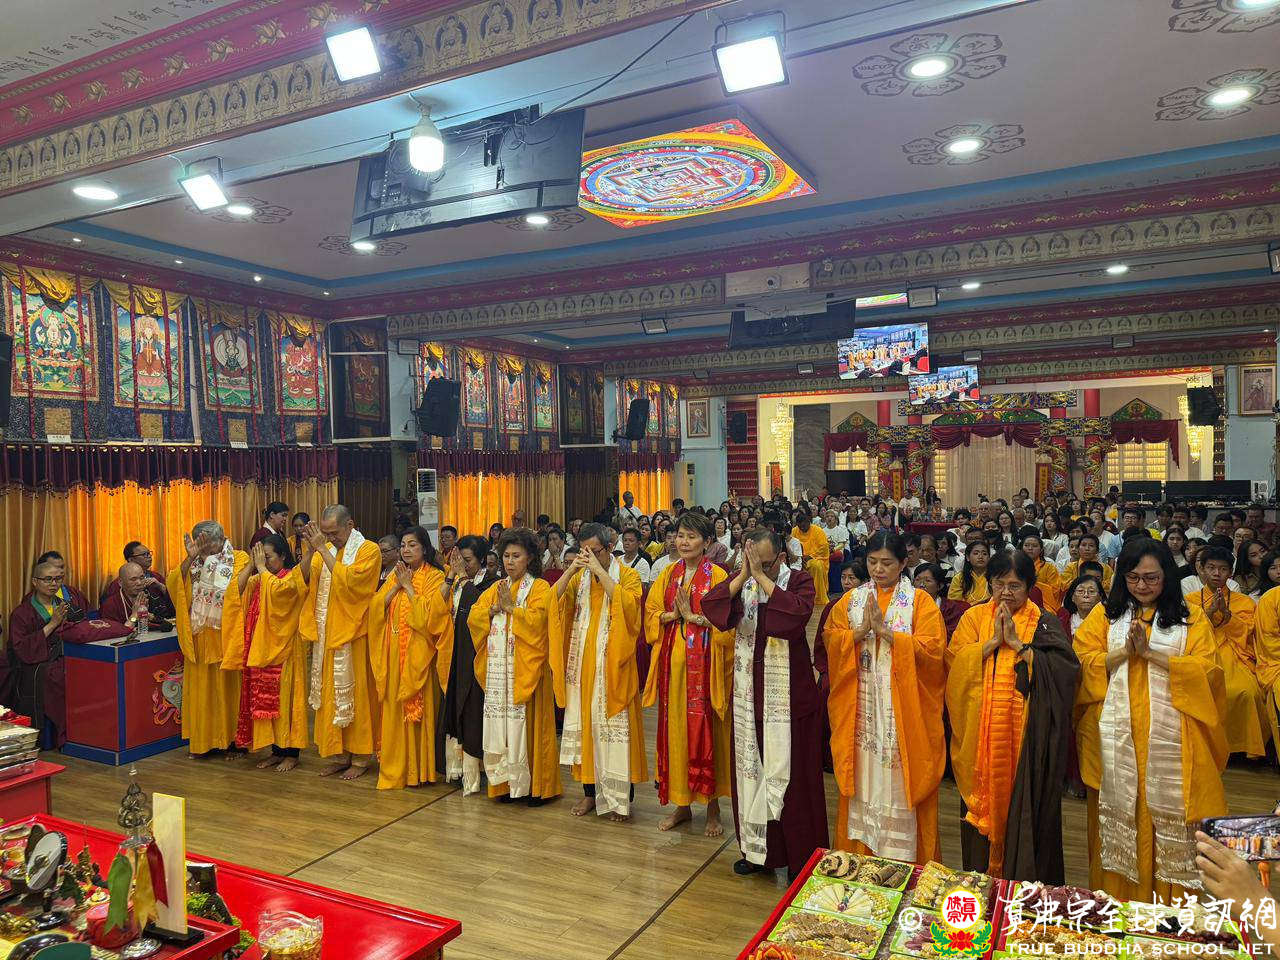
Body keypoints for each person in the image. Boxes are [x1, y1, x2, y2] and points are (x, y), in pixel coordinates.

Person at [1073, 538, 1227, 901]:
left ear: (1167, 577)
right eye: (1133, 578)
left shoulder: (1190, 617)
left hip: (1174, 741)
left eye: (1151, 578)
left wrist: (1151, 654)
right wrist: (1124, 652)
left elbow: (1209, 673)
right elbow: (1082, 663)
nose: (1142, 586)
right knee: (1118, 818)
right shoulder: (1105, 615)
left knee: (1169, 820)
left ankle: (1170, 910)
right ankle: (1116, 903)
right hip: (1115, 739)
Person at [946, 550, 1079, 881]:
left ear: (1029, 587)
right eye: (999, 583)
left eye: (1015, 585)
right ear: (989, 584)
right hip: (981, 743)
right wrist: (992, 642)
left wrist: (1019, 645)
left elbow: (1065, 672)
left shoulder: (1044, 622)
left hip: (1027, 744)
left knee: (1027, 816)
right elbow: (953, 665)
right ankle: (983, 886)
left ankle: (1022, 891)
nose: (1006, 592)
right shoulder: (973, 618)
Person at [703, 528, 828, 878]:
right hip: (748, 698)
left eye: (767, 563)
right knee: (752, 775)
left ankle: (802, 860)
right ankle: (759, 853)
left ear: (782, 558)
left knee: (795, 783)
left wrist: (761, 578)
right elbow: (712, 608)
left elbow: (794, 619)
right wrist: (744, 575)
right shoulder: (741, 582)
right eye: (751, 561)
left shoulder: (798, 581)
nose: (759, 568)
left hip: (790, 701)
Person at [823, 531, 947, 861]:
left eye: (887, 563)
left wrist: (888, 634)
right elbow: (831, 640)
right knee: (862, 778)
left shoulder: (920, 602)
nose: (878, 569)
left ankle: (904, 862)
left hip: (902, 712)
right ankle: (859, 858)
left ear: (904, 563)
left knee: (899, 782)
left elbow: (934, 652)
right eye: (872, 562)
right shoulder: (851, 600)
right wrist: (859, 633)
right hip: (861, 710)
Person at [643, 511, 733, 837]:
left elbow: (728, 622)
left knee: (707, 732)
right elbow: (651, 613)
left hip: (706, 666)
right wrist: (672, 615)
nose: (683, 542)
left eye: (691, 537)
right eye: (680, 535)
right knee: (676, 732)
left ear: (707, 542)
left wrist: (694, 617)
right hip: (673, 664)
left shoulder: (718, 576)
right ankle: (681, 804)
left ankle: (713, 808)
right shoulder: (669, 573)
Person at [550, 523, 647, 821]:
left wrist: (600, 572)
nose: (589, 556)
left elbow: (629, 608)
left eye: (595, 551)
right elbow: (551, 601)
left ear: (610, 547)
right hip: (582, 668)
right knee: (587, 731)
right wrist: (571, 569)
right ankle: (590, 794)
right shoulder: (579, 579)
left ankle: (620, 800)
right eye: (584, 551)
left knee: (616, 731)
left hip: (614, 667)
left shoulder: (627, 575)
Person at [469, 527, 561, 804]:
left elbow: (540, 623)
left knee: (530, 728)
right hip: (500, 672)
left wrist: (512, 609)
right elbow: (474, 616)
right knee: (501, 726)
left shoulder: (539, 587)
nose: (509, 562)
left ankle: (537, 788)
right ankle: (504, 785)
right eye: (506, 556)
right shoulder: (497, 587)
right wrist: (492, 610)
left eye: (516, 556)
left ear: (530, 557)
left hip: (527, 669)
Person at [298, 505, 381, 781]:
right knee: (330, 697)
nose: (331, 538)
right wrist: (311, 550)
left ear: (350, 524)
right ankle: (340, 754)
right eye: (326, 533)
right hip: (327, 636)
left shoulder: (368, 550)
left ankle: (360, 756)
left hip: (354, 636)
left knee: (356, 697)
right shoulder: (325, 549)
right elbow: (305, 579)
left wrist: (322, 549)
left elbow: (352, 584)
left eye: (334, 533)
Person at [368, 526, 448, 790]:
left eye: (412, 545)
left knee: (417, 712)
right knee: (393, 709)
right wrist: (397, 586)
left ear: (424, 548)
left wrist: (410, 588)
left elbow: (431, 618)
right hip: (392, 652)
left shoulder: (435, 576)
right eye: (403, 545)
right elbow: (376, 607)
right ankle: (395, 767)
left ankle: (418, 770)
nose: (406, 550)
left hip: (419, 655)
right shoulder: (397, 574)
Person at [167, 520, 249, 757]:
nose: (209, 549)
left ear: (222, 539)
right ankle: (203, 743)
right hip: (200, 637)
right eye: (203, 545)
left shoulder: (239, 558)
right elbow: (175, 585)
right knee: (202, 694)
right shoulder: (193, 562)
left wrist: (207, 561)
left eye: (212, 544)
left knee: (229, 692)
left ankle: (233, 742)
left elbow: (234, 590)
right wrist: (190, 559)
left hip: (226, 636)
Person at [1184, 546, 1267, 758]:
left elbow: (1248, 632)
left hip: (1233, 652)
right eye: (1211, 568)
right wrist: (1209, 613)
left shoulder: (1244, 601)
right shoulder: (1190, 600)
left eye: (1222, 569)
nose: (1216, 573)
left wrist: (1227, 615)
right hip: (1201, 652)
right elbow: (1185, 633)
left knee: (1246, 692)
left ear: (1230, 572)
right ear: (1202, 570)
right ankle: (1205, 744)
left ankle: (1241, 746)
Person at [233, 535, 307, 771]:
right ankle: (276, 750)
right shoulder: (260, 578)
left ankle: (291, 753)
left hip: (285, 651)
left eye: (268, 557)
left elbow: (279, 592)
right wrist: (251, 564)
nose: (264, 561)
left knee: (285, 703)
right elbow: (235, 590)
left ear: (283, 556)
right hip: (262, 650)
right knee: (267, 704)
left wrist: (261, 568)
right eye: (261, 557)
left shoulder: (290, 577)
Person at [6, 561, 81, 746]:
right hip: (34, 664)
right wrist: (53, 623)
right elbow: (21, 649)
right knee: (58, 676)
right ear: (35, 581)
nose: (53, 584)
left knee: (84, 670)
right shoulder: (21, 613)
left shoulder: (65, 605)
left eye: (58, 579)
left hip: (62, 656)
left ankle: (83, 729)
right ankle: (63, 733)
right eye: (48, 579)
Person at [100, 542, 176, 618]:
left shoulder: (157, 577)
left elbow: (173, 606)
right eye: (144, 554)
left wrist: (162, 587)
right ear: (131, 559)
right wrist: (134, 617)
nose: (149, 556)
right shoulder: (119, 584)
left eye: (149, 553)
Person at [100, 561, 172, 632]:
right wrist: (134, 616)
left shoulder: (150, 596)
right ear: (121, 582)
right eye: (133, 579)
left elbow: (167, 621)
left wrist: (151, 617)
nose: (139, 583)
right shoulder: (110, 604)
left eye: (142, 578)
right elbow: (114, 633)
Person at [913, 563, 966, 639]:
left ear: (940, 586)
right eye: (917, 580)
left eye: (928, 580)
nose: (921, 584)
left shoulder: (950, 608)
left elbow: (951, 635)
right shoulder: (906, 605)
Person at [791, 509, 830, 606]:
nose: (802, 526)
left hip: (816, 558)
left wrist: (810, 556)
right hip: (798, 559)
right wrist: (799, 557)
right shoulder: (794, 531)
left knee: (816, 566)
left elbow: (823, 548)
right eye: (800, 524)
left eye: (804, 524)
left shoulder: (818, 531)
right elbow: (791, 546)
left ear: (809, 522)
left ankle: (817, 596)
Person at [1020, 534, 1063, 612]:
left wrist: (1033, 585)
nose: (1030, 548)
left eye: (1034, 546)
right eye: (1026, 545)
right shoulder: (1015, 566)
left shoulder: (1049, 567)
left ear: (1041, 550)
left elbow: (1055, 590)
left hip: (1044, 604)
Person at [1059, 574, 1104, 639]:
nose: (1086, 595)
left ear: (1100, 597)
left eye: (1091, 591)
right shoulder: (1063, 619)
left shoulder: (1107, 620)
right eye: (1080, 591)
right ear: (1072, 597)